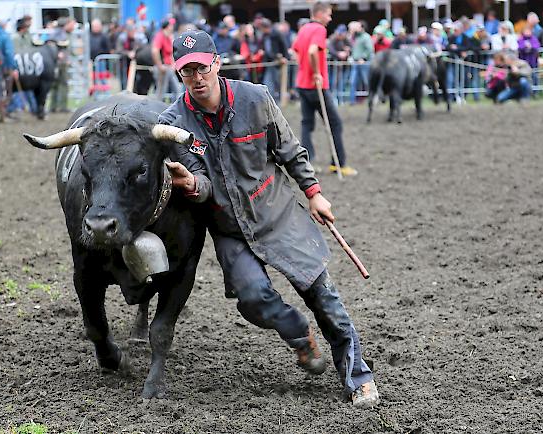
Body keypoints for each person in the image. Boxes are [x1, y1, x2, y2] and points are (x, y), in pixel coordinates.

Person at [159, 28, 379, 408]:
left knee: (322, 295)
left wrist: (314, 193)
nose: (196, 78)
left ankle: (358, 376)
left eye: (201, 67)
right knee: (253, 298)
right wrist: (191, 183)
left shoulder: (256, 99)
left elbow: (291, 150)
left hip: (277, 214)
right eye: (186, 71)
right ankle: (299, 335)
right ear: (178, 74)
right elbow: (205, 184)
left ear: (217, 63)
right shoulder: (175, 121)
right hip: (229, 227)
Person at [292, 2, 357, 176]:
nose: (330, 18)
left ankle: (306, 163)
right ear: (319, 14)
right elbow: (313, 51)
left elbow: (295, 51)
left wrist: (304, 68)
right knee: (335, 123)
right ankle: (338, 164)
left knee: (307, 124)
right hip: (316, 86)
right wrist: (316, 73)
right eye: (328, 14)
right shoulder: (319, 29)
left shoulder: (304, 28)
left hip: (302, 84)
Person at [49, 17, 77, 112]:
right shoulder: (58, 34)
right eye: (72, 24)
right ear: (66, 24)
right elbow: (53, 46)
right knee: (58, 84)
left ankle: (58, 106)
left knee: (59, 84)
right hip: (58, 63)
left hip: (62, 63)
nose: (73, 26)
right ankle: (57, 107)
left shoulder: (63, 34)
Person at [151, 17, 180, 101]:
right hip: (163, 69)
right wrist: (160, 66)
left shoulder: (168, 37)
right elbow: (154, 51)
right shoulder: (160, 36)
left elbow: (171, 53)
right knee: (160, 93)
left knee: (177, 89)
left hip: (169, 68)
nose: (173, 26)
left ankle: (177, 110)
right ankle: (156, 111)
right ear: (167, 26)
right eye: (171, 24)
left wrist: (173, 64)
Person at [348, 20, 373, 105]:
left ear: (362, 28)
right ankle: (352, 101)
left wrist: (363, 58)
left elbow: (370, 49)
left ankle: (372, 99)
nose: (355, 28)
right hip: (355, 63)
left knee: (366, 81)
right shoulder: (355, 37)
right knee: (352, 82)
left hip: (363, 63)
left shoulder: (366, 37)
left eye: (357, 26)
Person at [89, 18, 111, 97]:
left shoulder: (104, 36)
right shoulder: (89, 36)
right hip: (91, 61)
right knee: (93, 78)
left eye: (96, 26)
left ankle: (107, 94)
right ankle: (96, 95)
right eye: (93, 26)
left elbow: (107, 49)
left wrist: (104, 58)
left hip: (101, 61)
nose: (95, 28)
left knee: (102, 78)